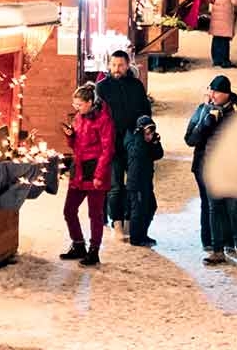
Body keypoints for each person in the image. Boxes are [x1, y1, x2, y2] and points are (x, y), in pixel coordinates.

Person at [186, 75, 237, 263]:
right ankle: (217, 249)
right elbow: (190, 139)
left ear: (225, 94)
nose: (211, 95)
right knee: (214, 207)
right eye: (210, 90)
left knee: (234, 206)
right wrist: (206, 122)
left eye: (215, 92)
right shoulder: (204, 110)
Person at [59, 84, 115, 267]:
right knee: (69, 210)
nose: (76, 108)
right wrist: (70, 136)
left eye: (79, 105)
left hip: (95, 170)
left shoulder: (104, 119)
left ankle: (94, 250)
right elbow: (75, 145)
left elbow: (108, 150)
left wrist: (99, 174)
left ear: (90, 102)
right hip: (79, 168)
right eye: (74, 104)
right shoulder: (79, 117)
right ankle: (78, 244)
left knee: (95, 213)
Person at [94, 51, 150, 230]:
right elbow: (97, 116)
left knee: (133, 184)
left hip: (133, 141)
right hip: (111, 143)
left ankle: (129, 220)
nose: (116, 69)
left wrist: (144, 130)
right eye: (114, 65)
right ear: (109, 65)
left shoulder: (136, 86)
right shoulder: (101, 87)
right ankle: (116, 221)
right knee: (115, 184)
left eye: (120, 65)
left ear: (127, 65)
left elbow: (145, 111)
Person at [122, 115, 163, 247]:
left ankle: (142, 234)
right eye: (147, 133)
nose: (149, 136)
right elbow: (136, 154)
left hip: (146, 181)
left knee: (151, 207)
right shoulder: (133, 140)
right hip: (135, 183)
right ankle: (135, 238)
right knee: (137, 211)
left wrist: (156, 143)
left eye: (152, 132)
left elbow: (158, 155)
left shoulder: (149, 143)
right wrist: (140, 137)